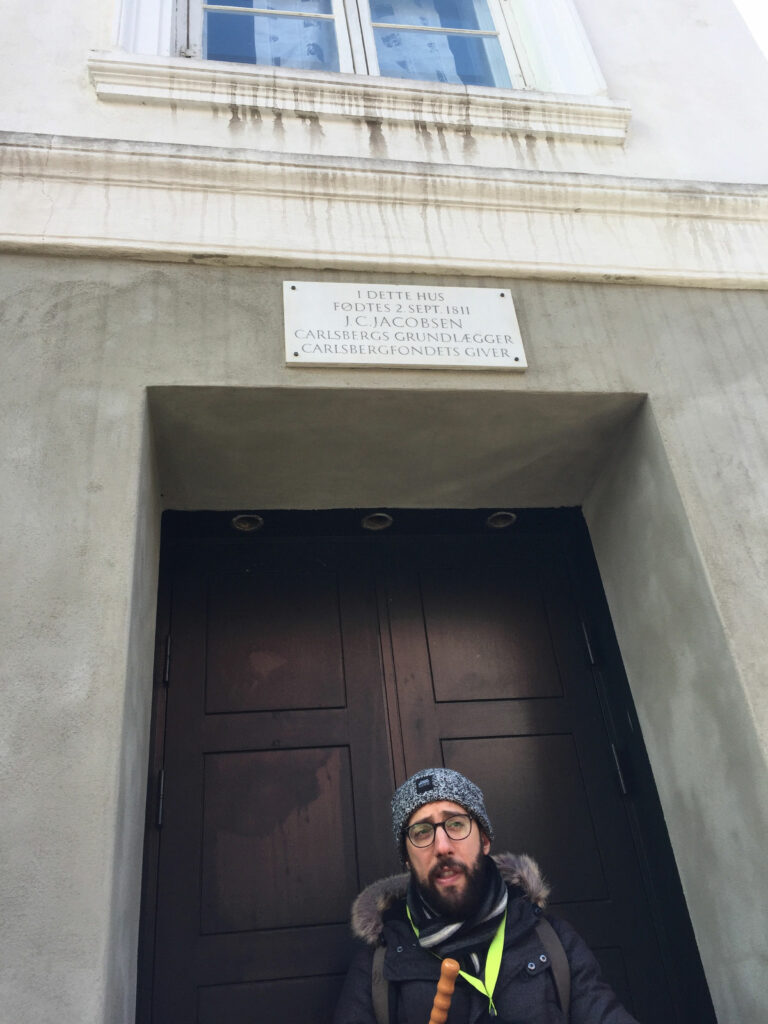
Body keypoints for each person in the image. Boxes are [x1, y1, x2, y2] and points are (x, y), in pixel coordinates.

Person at [333, 768, 640, 1024]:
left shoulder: (553, 939)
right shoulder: (378, 966)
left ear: (484, 839)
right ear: (407, 859)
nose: (441, 846)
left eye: (456, 824)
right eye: (422, 832)